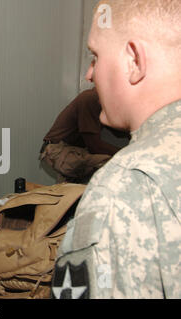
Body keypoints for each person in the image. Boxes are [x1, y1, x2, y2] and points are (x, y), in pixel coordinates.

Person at [51, 0, 180, 298]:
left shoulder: (122, 187)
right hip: (57, 149)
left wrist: (116, 166)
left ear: (134, 60)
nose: (89, 74)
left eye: (95, 56)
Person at [40, 87, 125, 184]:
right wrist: (127, 153)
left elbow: (118, 130)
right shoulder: (91, 99)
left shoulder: (101, 101)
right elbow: (95, 146)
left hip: (72, 149)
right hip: (56, 150)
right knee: (111, 162)